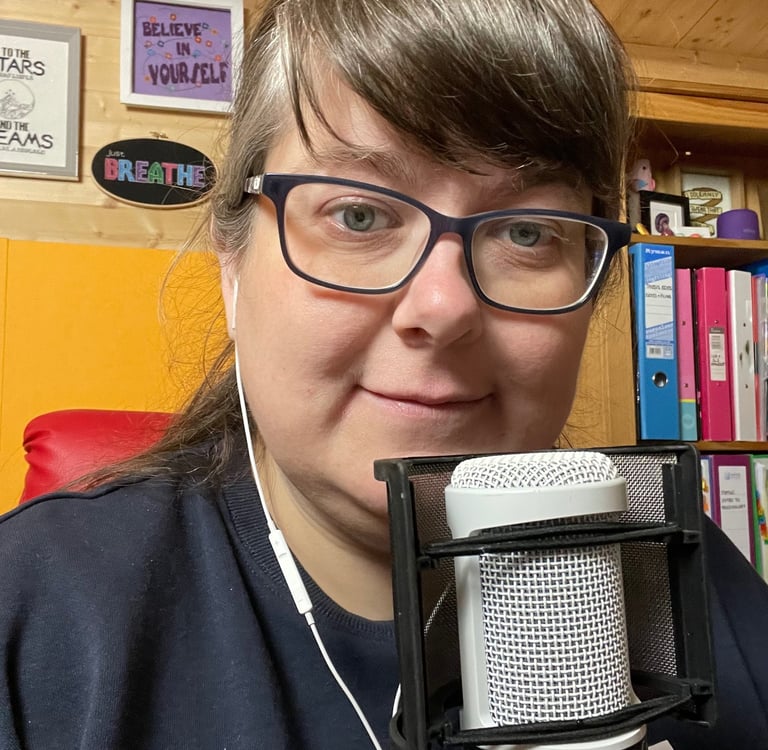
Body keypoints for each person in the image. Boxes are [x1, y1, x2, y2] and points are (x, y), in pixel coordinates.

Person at [1, 0, 766, 748]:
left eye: (527, 231)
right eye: (359, 216)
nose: (445, 306)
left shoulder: (698, 581)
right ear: (233, 268)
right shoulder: (32, 616)